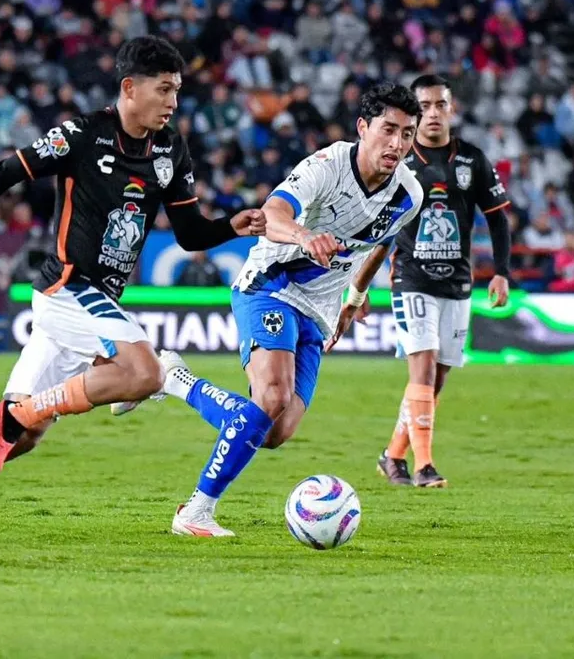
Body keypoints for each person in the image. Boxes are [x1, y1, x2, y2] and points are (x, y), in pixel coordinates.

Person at [0, 36, 266, 551]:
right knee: (142, 372)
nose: (173, 103)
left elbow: (190, 233)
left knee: (17, 439)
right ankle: (28, 411)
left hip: (92, 304)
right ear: (129, 88)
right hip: (69, 288)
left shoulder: (170, 150)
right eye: (164, 90)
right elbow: (5, 171)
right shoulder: (83, 134)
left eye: (177, 91)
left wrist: (234, 224)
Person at [120, 83, 424, 537]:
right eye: (388, 130)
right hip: (271, 285)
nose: (397, 144)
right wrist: (305, 236)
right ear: (363, 128)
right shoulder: (326, 166)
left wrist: (356, 296)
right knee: (271, 397)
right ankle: (196, 511)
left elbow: (380, 245)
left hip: (320, 309)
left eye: (407, 134)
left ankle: (174, 380)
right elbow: (274, 211)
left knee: (275, 431)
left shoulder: (409, 194)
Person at [372, 75, 511, 488]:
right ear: (415, 113)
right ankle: (423, 465)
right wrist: (357, 284)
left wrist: (502, 270)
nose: (433, 113)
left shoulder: (472, 160)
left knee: (440, 374)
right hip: (411, 277)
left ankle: (392, 454)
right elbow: (374, 222)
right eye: (425, 106)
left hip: (457, 281)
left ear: (451, 109)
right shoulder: (398, 160)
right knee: (425, 365)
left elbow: (498, 217)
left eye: (440, 105)